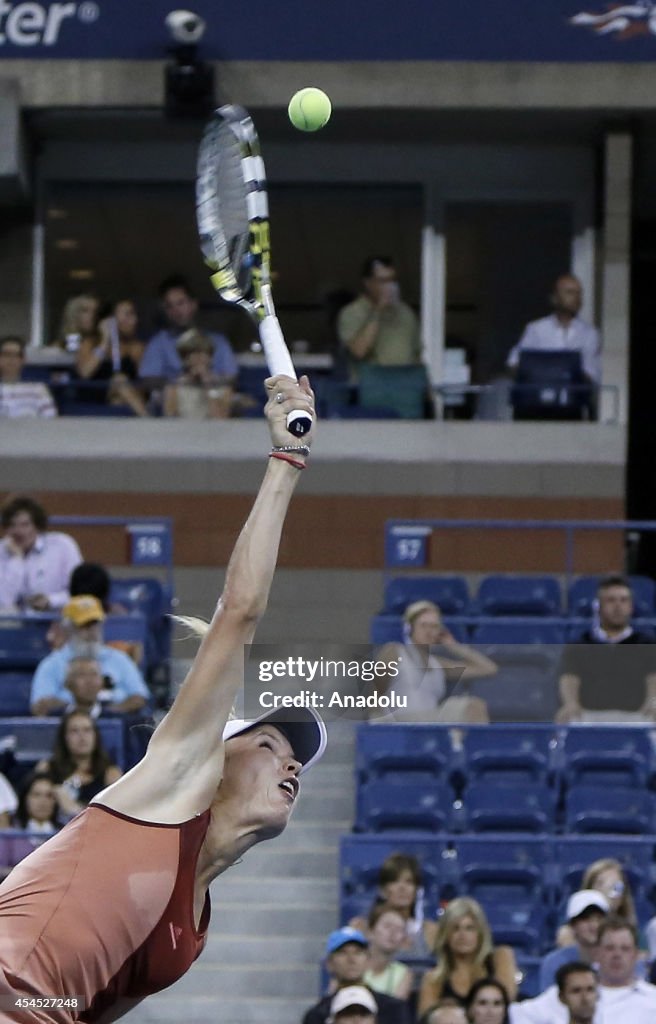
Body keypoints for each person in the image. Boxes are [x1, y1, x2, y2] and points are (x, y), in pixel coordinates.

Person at [0, 374, 325, 1022]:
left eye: (295, 760)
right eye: (269, 744)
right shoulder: (170, 784)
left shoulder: (190, 932)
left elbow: (81, 1006)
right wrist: (287, 463)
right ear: (216, 754)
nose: (291, 765)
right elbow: (238, 612)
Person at [510, 917, 656, 1024]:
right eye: (610, 948)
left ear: (636, 955)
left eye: (625, 949)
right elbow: (517, 1014)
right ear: (597, 952)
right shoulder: (573, 990)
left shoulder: (652, 999)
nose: (617, 955)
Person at [375, 601, 496, 723]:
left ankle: (459, 742)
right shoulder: (394, 651)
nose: (429, 631)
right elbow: (374, 689)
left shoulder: (438, 664)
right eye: (423, 625)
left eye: (434, 626)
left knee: (475, 706)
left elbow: (489, 669)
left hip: (431, 725)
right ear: (410, 628)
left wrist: (453, 646)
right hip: (400, 723)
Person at [556, 575, 656, 723]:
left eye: (623, 600)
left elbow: (653, 678)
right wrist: (571, 703)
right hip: (589, 716)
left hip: (636, 717)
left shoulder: (647, 644)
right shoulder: (580, 644)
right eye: (611, 600)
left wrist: (653, 702)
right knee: (568, 721)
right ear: (599, 606)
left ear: (631, 607)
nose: (618, 606)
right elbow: (569, 677)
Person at [30, 595, 150, 717]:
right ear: (68, 629)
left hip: (116, 725)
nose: (92, 631)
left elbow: (140, 698)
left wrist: (104, 714)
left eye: (95, 624)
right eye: (84, 625)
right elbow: (40, 707)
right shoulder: (51, 664)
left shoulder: (119, 659)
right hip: (66, 728)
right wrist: (80, 707)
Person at [418, 897, 517, 1016]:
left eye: (469, 928)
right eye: (455, 929)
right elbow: (426, 1020)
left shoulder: (500, 959)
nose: (462, 935)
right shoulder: (433, 980)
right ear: (446, 935)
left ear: (480, 933)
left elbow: (506, 1005)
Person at [139, 275, 238, 384]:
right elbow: (148, 379)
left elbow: (231, 378)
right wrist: (179, 381)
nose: (176, 311)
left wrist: (209, 378)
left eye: (180, 303)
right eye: (169, 306)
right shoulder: (159, 342)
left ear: (193, 304)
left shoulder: (218, 341)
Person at [302, 927, 411, 1024]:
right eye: (342, 953)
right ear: (329, 963)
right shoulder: (317, 1014)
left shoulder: (393, 1008)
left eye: (358, 952)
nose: (351, 959)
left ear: (368, 960)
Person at [506, 274, 601, 385]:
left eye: (579, 293)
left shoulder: (589, 334)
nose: (576, 298)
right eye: (570, 292)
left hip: (574, 398)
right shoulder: (536, 329)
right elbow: (513, 362)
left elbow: (591, 373)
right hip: (539, 397)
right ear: (554, 298)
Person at [337, 257, 422, 376]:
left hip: (405, 385)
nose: (390, 286)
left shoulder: (406, 313)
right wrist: (378, 311)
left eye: (392, 281)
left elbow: (418, 355)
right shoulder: (352, 313)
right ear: (368, 283)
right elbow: (359, 351)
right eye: (383, 281)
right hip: (370, 388)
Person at [35, 709, 122, 821]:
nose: (82, 737)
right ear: (64, 737)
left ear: (95, 735)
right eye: (74, 731)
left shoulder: (111, 773)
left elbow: (119, 815)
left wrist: (72, 808)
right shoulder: (47, 768)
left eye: (87, 730)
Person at [0, 495, 82, 612]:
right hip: (16, 623)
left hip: (59, 617)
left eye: (25, 525)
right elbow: (4, 602)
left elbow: (80, 593)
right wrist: (16, 559)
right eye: (12, 525)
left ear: (37, 526)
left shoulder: (62, 545)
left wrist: (50, 600)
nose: (18, 531)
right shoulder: (2, 550)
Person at [72, 297, 149, 417]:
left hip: (125, 398)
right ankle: (149, 421)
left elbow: (144, 385)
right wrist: (105, 341)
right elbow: (85, 372)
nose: (134, 320)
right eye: (128, 315)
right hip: (95, 395)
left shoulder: (136, 348)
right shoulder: (89, 343)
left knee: (118, 399)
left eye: (134, 315)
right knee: (119, 380)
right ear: (111, 320)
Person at [349, 852, 437, 957]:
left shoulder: (430, 931)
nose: (402, 887)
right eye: (395, 881)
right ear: (383, 890)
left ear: (416, 889)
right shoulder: (362, 928)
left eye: (409, 882)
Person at [556, 862, 636, 950]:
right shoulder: (570, 932)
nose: (607, 891)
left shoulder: (634, 931)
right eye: (601, 884)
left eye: (616, 886)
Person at [541, 890, 609, 991]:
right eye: (586, 919)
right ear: (573, 925)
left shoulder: (619, 959)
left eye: (599, 919)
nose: (594, 926)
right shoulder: (554, 963)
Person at [163, 328, 236, 419]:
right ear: (185, 359)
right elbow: (170, 420)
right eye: (193, 354)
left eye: (203, 353)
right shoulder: (174, 387)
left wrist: (208, 386)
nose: (199, 358)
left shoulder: (224, 387)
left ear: (210, 357)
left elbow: (220, 418)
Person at [363, 904, 414, 1001]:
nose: (393, 933)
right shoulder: (353, 965)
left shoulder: (404, 973)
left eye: (399, 929)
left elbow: (395, 1008)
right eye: (387, 926)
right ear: (370, 931)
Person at [0, 335, 57, 419]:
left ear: (23, 360)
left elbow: (51, 420)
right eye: (6, 354)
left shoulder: (39, 389)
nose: (11, 359)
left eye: (17, 355)